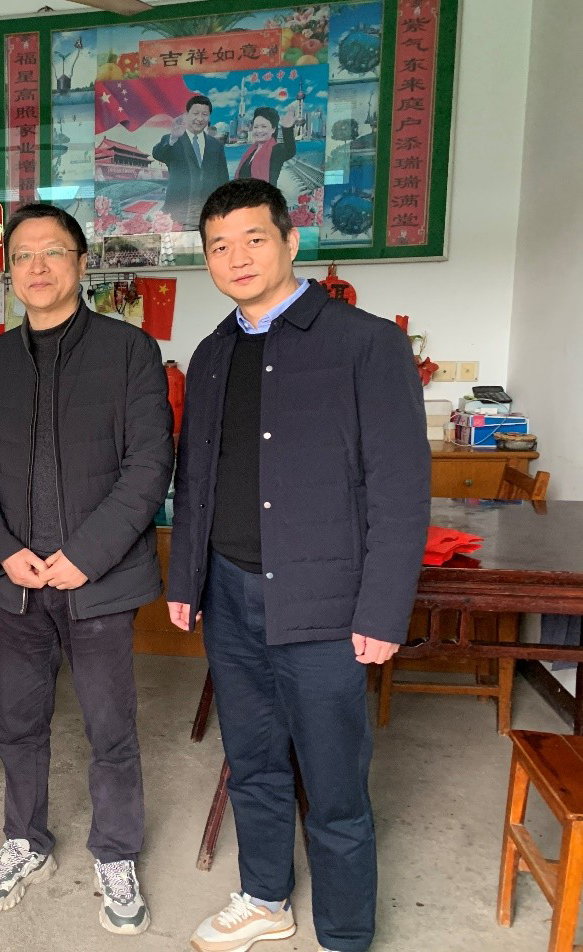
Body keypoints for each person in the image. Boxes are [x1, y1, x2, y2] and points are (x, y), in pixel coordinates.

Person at [168, 179, 430, 952]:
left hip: (325, 604)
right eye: (219, 246)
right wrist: (185, 581)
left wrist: (381, 609)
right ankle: (263, 897)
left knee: (334, 784)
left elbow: (399, 487)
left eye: (253, 238)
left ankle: (344, 935)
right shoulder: (210, 354)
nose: (236, 257)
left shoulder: (364, 343)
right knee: (251, 762)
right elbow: (196, 477)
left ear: (289, 241)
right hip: (229, 594)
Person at [0, 203, 173, 936]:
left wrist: (85, 555)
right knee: (18, 724)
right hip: (17, 583)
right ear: (10, 274)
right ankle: (25, 839)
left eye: (52, 251)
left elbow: (149, 465)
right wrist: (1, 550)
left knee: (110, 727)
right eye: (22, 255)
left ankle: (115, 851)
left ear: (81, 264)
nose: (37, 266)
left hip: (98, 582)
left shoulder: (129, 351)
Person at [152, 94, 230, 231]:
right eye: (195, 113)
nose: (200, 118)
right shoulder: (173, 139)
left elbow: (223, 179)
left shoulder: (216, 145)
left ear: (209, 117)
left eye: (204, 114)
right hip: (178, 211)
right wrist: (172, 138)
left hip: (208, 212)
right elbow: (157, 154)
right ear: (187, 115)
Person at [235, 104, 299, 187]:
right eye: (256, 127)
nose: (259, 130)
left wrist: (287, 129)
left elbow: (290, 151)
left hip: (265, 194)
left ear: (273, 129)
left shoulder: (276, 150)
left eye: (264, 126)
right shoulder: (251, 152)